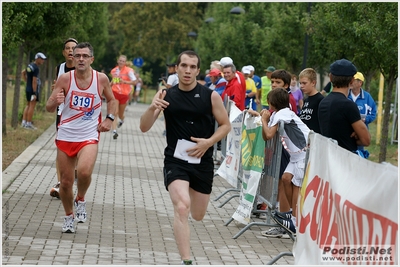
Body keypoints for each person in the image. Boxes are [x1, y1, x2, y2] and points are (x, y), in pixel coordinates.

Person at [139, 50, 231, 265]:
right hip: (175, 160)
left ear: (198, 71)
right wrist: (153, 107)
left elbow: (226, 125)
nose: (187, 70)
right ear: (177, 68)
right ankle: (186, 260)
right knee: (182, 206)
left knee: (197, 215)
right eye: (184, 66)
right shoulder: (166, 95)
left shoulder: (210, 96)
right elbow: (143, 127)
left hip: (203, 161)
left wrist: (208, 142)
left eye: (192, 67)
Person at [45, 42, 116, 233]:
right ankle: (69, 216)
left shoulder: (100, 79)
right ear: (73, 59)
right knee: (66, 183)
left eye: (85, 56)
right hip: (66, 134)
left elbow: (111, 99)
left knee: (84, 172)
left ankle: (81, 198)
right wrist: (55, 101)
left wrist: (109, 119)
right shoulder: (65, 79)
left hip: (89, 133)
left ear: (92, 59)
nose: (81, 59)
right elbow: (49, 107)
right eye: (78, 56)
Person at [254, 88, 310, 236]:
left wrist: (264, 120)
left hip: (303, 154)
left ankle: (296, 222)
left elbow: (269, 134)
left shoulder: (282, 114)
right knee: (286, 179)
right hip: (296, 156)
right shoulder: (280, 113)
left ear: (271, 102)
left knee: (296, 186)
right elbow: (268, 136)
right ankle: (292, 216)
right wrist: (264, 119)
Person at [318, 59, 371, 154]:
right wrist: (356, 135)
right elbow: (366, 140)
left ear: (330, 78)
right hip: (345, 160)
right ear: (352, 80)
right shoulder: (348, 105)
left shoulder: (323, 103)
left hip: (327, 157)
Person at [49, 37, 78, 199]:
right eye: (67, 48)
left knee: (76, 152)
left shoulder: (83, 69)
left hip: (79, 116)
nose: (70, 51)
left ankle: (71, 178)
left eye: (73, 48)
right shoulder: (59, 68)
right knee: (61, 150)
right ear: (63, 52)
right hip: (62, 114)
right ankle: (61, 183)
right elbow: (57, 87)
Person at [348, 71, 377, 158]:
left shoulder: (367, 97)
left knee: (358, 156)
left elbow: (373, 114)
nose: (351, 82)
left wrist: (365, 120)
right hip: (347, 132)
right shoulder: (346, 95)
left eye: (354, 80)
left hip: (360, 133)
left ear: (360, 83)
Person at [109, 55, 137, 139]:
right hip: (115, 92)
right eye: (120, 60)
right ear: (118, 61)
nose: (121, 62)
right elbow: (112, 81)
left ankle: (122, 120)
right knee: (115, 112)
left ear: (125, 63)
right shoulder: (114, 71)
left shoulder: (129, 71)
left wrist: (124, 81)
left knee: (121, 114)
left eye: (123, 61)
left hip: (124, 95)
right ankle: (114, 131)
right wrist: (109, 86)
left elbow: (135, 82)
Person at [21, 52, 47, 129]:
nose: (43, 61)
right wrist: (34, 92)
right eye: (42, 59)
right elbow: (34, 81)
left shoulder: (30, 65)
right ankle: (28, 124)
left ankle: (24, 122)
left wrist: (26, 81)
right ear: (37, 59)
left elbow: (23, 72)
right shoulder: (35, 68)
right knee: (32, 106)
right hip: (32, 90)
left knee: (28, 105)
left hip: (28, 88)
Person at [298, 68, 324, 133]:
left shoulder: (320, 100)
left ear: (313, 83)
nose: (301, 86)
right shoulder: (306, 100)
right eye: (300, 83)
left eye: (304, 83)